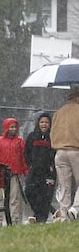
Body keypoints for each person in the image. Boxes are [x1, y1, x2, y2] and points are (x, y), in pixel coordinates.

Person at [49, 85, 79, 223]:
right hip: (76, 150)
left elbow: (52, 134)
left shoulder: (58, 113)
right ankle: (75, 209)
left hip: (59, 152)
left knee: (64, 186)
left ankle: (63, 213)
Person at [0, 118, 28, 225]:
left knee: (14, 199)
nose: (14, 129)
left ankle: (14, 220)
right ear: (6, 128)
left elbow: (23, 158)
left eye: (15, 127)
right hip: (1, 175)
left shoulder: (20, 141)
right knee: (0, 198)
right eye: (11, 127)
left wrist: (25, 171)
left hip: (14, 174)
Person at [24, 113, 56, 224]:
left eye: (46, 122)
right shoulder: (32, 136)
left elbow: (55, 152)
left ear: (50, 124)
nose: (44, 124)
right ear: (38, 123)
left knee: (45, 196)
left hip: (48, 172)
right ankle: (39, 215)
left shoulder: (53, 137)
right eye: (42, 122)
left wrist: (52, 165)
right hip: (34, 171)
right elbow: (26, 152)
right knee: (29, 191)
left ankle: (41, 219)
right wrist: (30, 165)